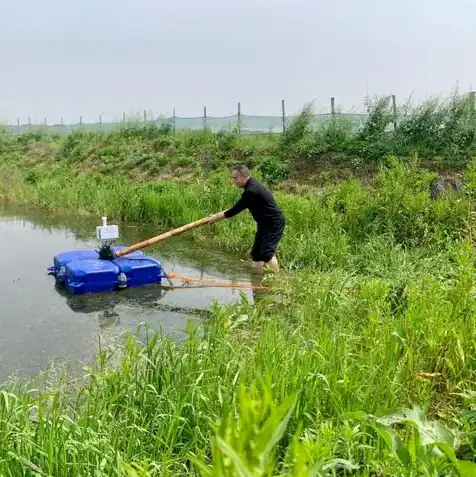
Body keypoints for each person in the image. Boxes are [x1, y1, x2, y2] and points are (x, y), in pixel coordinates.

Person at [208, 164, 285, 275]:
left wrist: (215, 218)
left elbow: (234, 211)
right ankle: (256, 280)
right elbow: (236, 208)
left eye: (236, 178)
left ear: (244, 176)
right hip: (264, 224)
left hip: (273, 223)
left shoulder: (251, 191)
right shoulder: (251, 187)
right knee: (257, 253)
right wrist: (216, 215)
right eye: (233, 178)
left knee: (266, 253)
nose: (234, 181)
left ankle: (277, 280)